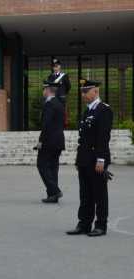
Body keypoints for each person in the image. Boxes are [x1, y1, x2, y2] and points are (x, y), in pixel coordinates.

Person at [66, 79, 113, 237]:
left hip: (96, 159)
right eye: (82, 92)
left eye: (86, 91)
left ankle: (100, 225)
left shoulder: (103, 110)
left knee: (99, 194)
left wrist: (101, 160)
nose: (83, 94)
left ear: (96, 91)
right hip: (85, 158)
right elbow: (83, 139)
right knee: (85, 194)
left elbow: (103, 137)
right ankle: (84, 224)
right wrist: (79, 159)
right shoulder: (87, 111)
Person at [36, 81, 65, 203]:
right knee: (53, 167)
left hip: (49, 141)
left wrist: (40, 141)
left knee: (41, 164)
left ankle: (55, 190)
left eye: (44, 89)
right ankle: (52, 196)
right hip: (58, 140)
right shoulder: (59, 103)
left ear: (47, 90)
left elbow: (46, 125)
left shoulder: (49, 104)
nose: (43, 91)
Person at [47, 58, 72, 126]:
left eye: (56, 66)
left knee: (61, 112)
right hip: (53, 97)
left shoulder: (64, 76)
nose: (55, 68)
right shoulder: (50, 77)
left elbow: (68, 86)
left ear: (59, 66)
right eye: (54, 66)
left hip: (61, 98)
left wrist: (63, 93)